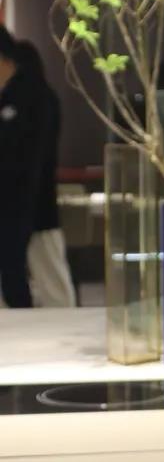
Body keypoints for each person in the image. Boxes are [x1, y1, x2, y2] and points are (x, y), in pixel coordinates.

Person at [14, 40, 76, 308]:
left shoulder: (37, 102)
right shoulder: (42, 100)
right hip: (33, 205)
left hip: (36, 206)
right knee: (48, 272)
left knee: (50, 273)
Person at [0, 26, 47, 308]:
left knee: (15, 273)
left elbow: (25, 154)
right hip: (13, 201)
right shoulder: (8, 95)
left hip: (20, 200)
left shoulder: (31, 94)